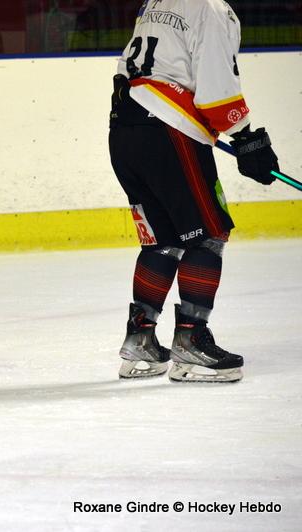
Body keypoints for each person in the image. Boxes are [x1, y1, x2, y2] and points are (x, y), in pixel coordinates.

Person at [109, 0, 280, 383]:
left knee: (163, 241)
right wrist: (246, 137)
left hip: (125, 128)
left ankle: (141, 340)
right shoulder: (211, 8)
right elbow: (215, 90)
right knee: (208, 236)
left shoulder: (155, 2)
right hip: (168, 130)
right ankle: (190, 341)